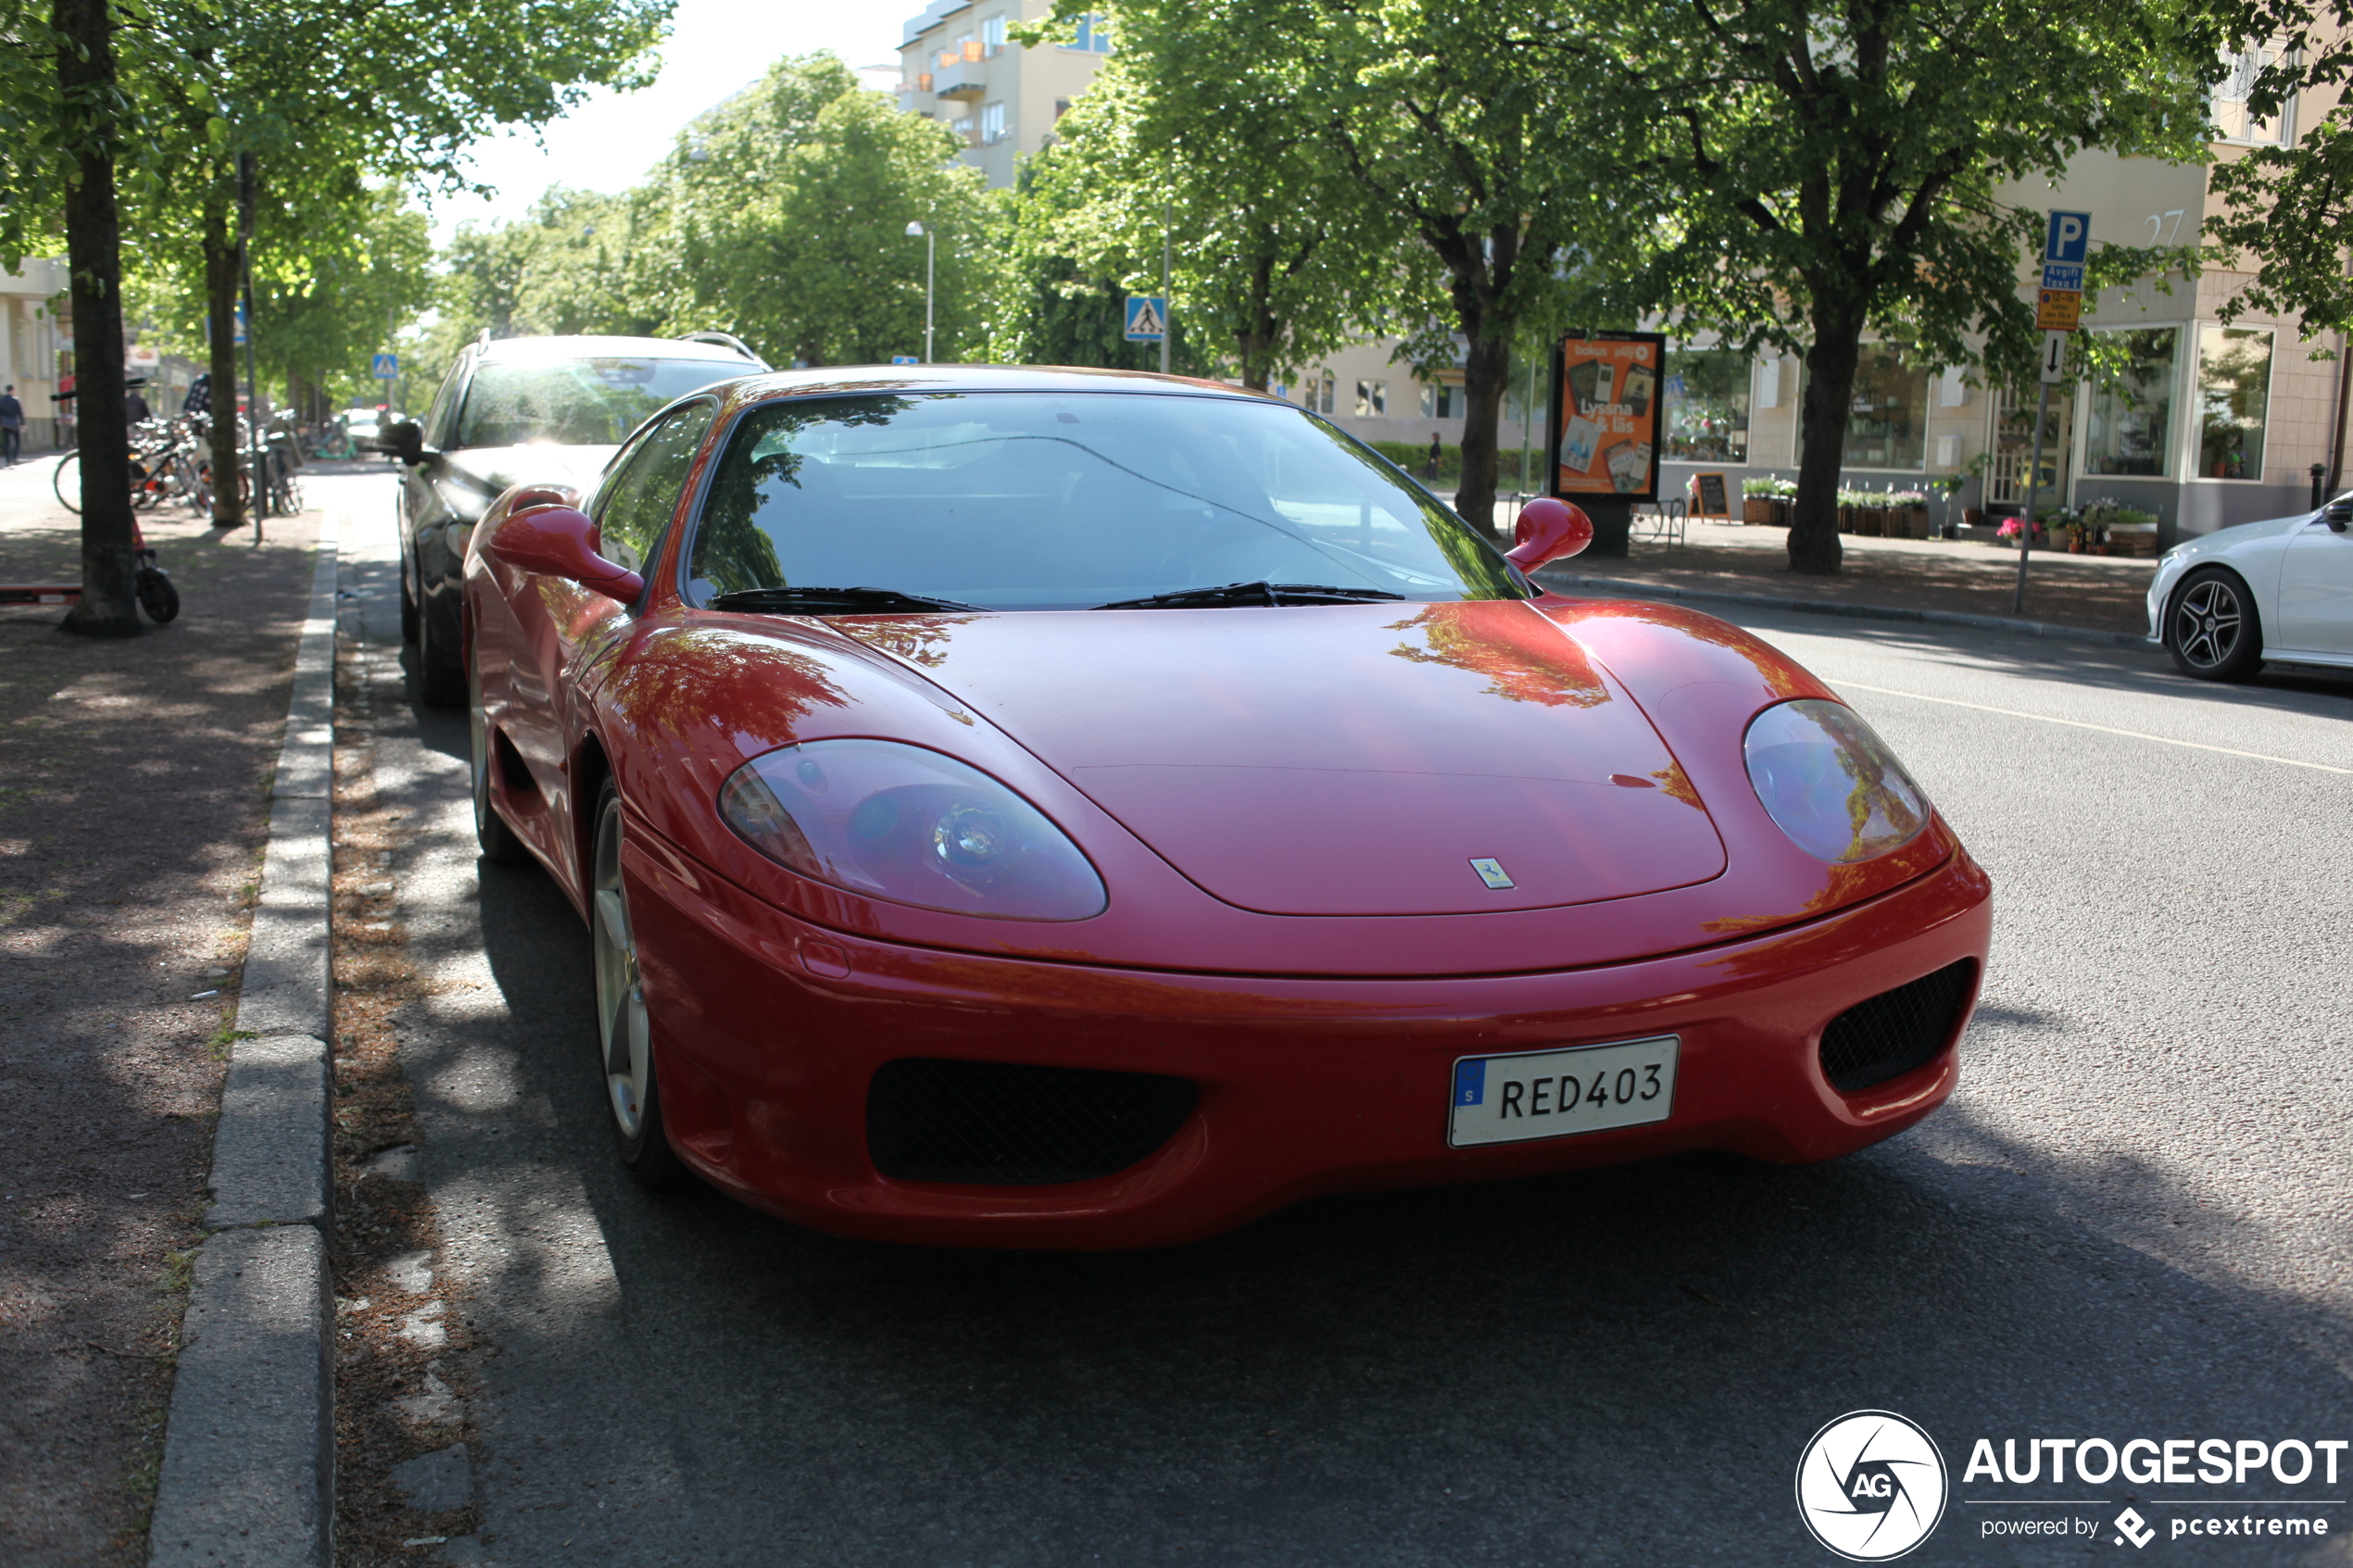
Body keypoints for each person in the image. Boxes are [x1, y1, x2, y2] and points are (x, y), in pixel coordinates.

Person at [0, 384, 23, 466]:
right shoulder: (16, 400)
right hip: (14, 423)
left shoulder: (2, 400)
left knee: (7, 442)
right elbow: (20, 412)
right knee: (17, 441)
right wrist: (23, 423)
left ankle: (8, 460)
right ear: (13, 390)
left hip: (4, 423)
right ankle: (14, 458)